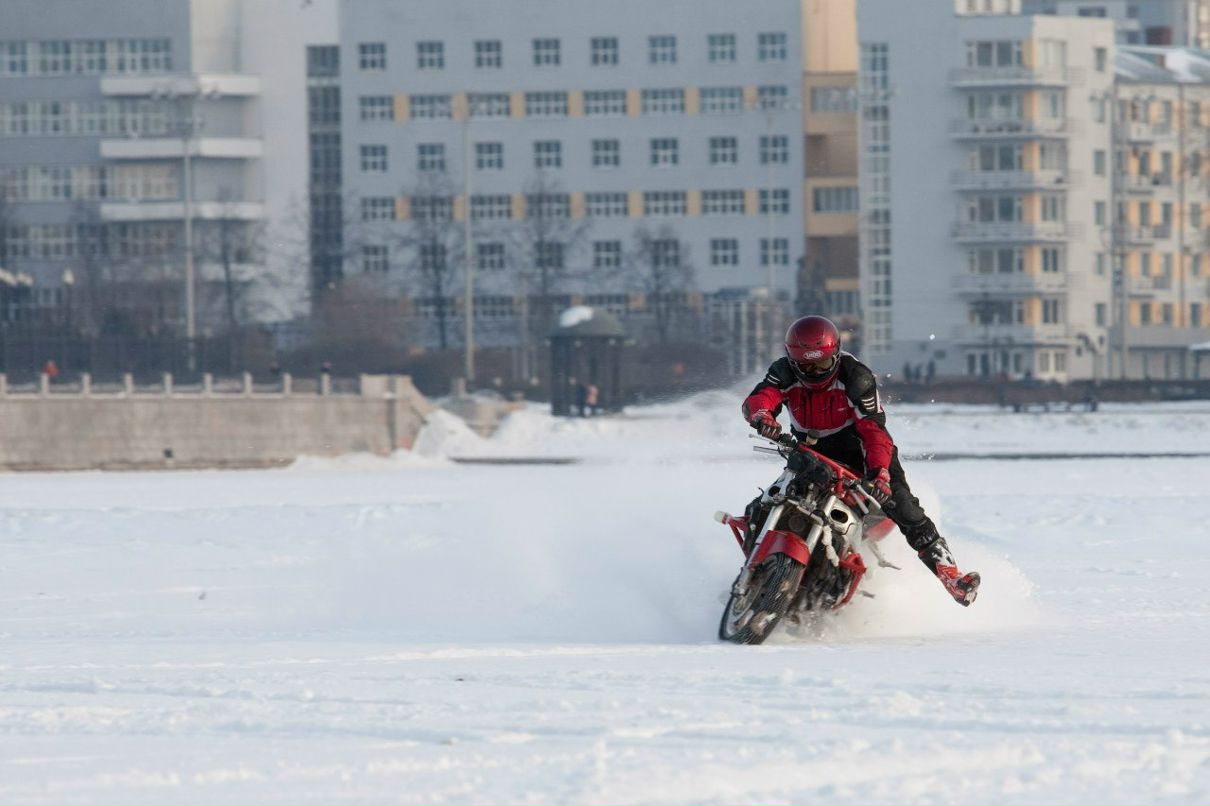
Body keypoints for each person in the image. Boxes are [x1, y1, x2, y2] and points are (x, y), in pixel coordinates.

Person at [741, 315, 980, 606]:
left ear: (836, 353)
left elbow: (873, 430)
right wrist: (762, 416)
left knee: (903, 504)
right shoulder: (783, 371)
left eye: (822, 365)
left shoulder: (856, 377)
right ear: (792, 361)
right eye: (806, 366)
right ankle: (754, 568)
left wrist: (879, 473)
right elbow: (762, 396)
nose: (815, 373)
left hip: (862, 449)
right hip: (810, 450)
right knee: (761, 505)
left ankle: (951, 576)